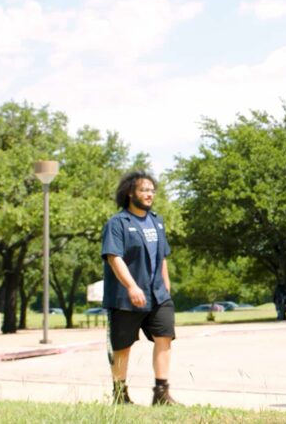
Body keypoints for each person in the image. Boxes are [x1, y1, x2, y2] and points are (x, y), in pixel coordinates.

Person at [100, 171, 180, 406]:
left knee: (164, 337)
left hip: (158, 295)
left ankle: (161, 393)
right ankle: (120, 395)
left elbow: (162, 256)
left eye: (152, 190)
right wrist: (131, 286)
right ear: (130, 193)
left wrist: (166, 286)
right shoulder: (117, 223)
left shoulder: (157, 221)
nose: (149, 194)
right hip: (126, 297)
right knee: (123, 346)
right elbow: (115, 258)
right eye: (144, 190)